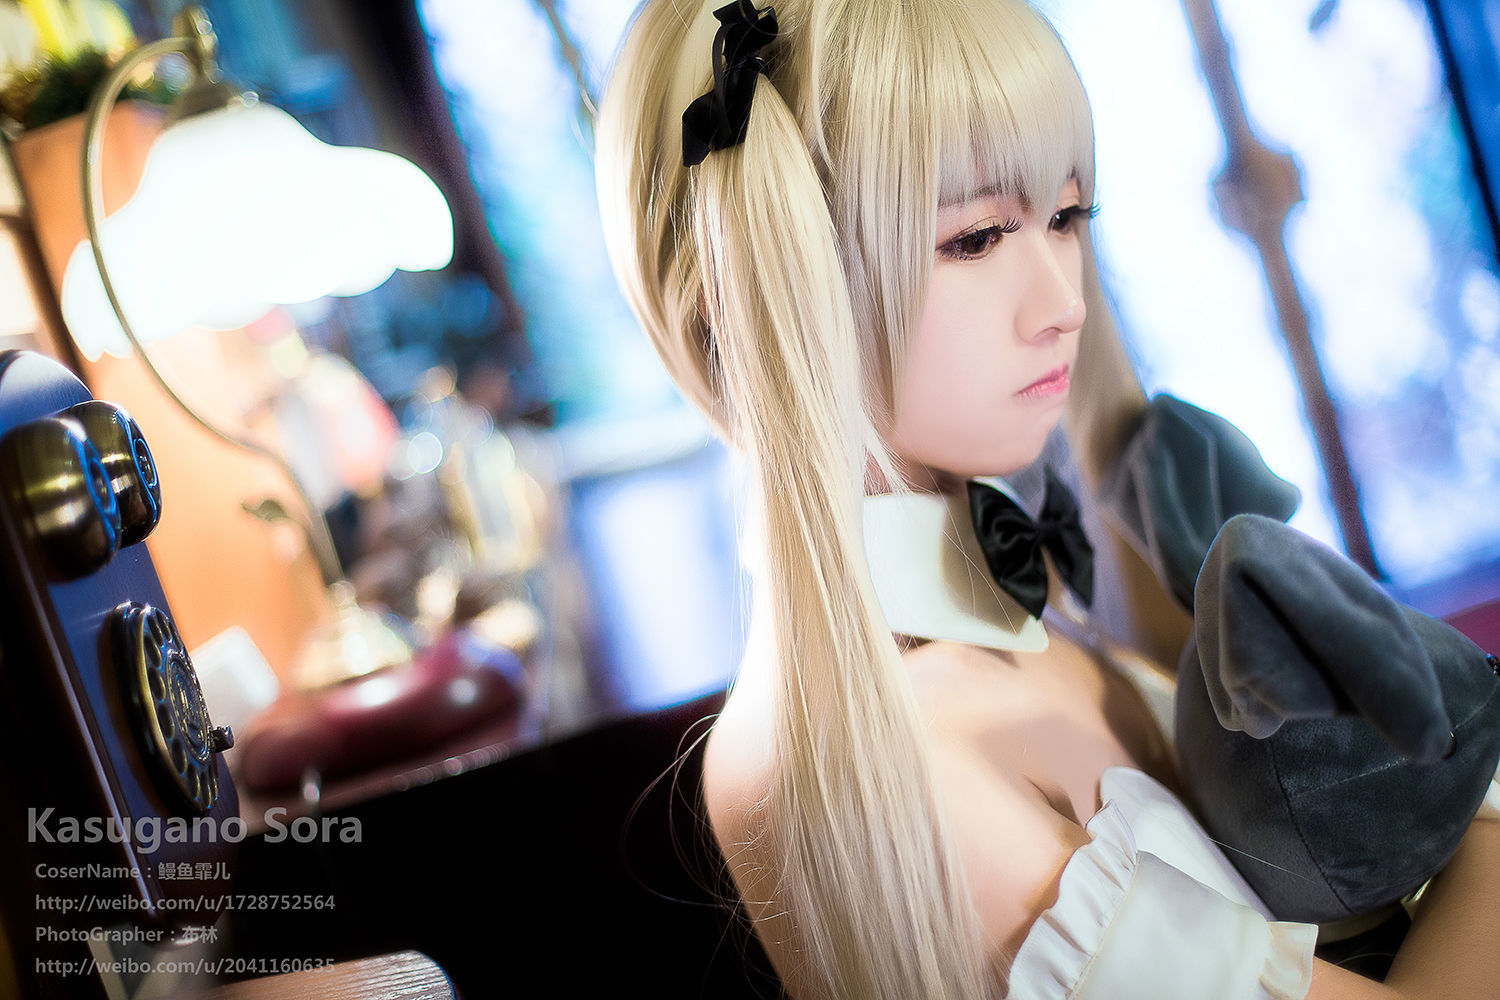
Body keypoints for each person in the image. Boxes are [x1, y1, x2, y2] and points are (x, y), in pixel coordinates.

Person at [594, 0, 1500, 996]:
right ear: (762, 291)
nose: (1064, 302)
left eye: (1067, 216)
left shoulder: (1022, 610)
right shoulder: (885, 757)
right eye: (977, 237)